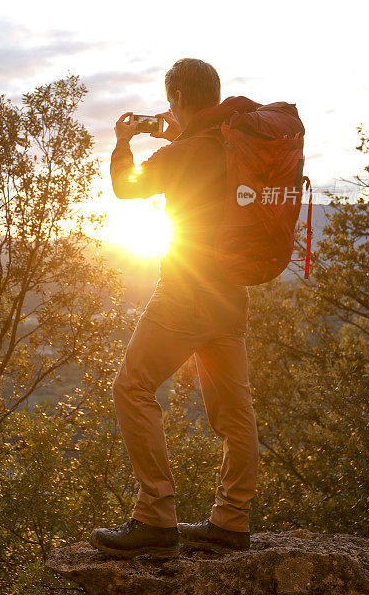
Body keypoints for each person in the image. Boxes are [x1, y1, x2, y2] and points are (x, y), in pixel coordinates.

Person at [89, 58, 259, 559]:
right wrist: (174, 137)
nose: (166, 111)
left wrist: (123, 143)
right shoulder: (235, 146)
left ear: (180, 96)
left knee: (132, 386)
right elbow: (201, 170)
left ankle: (155, 516)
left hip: (185, 292)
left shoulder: (185, 152)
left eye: (170, 102)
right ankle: (231, 521)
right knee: (235, 413)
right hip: (231, 294)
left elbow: (127, 187)